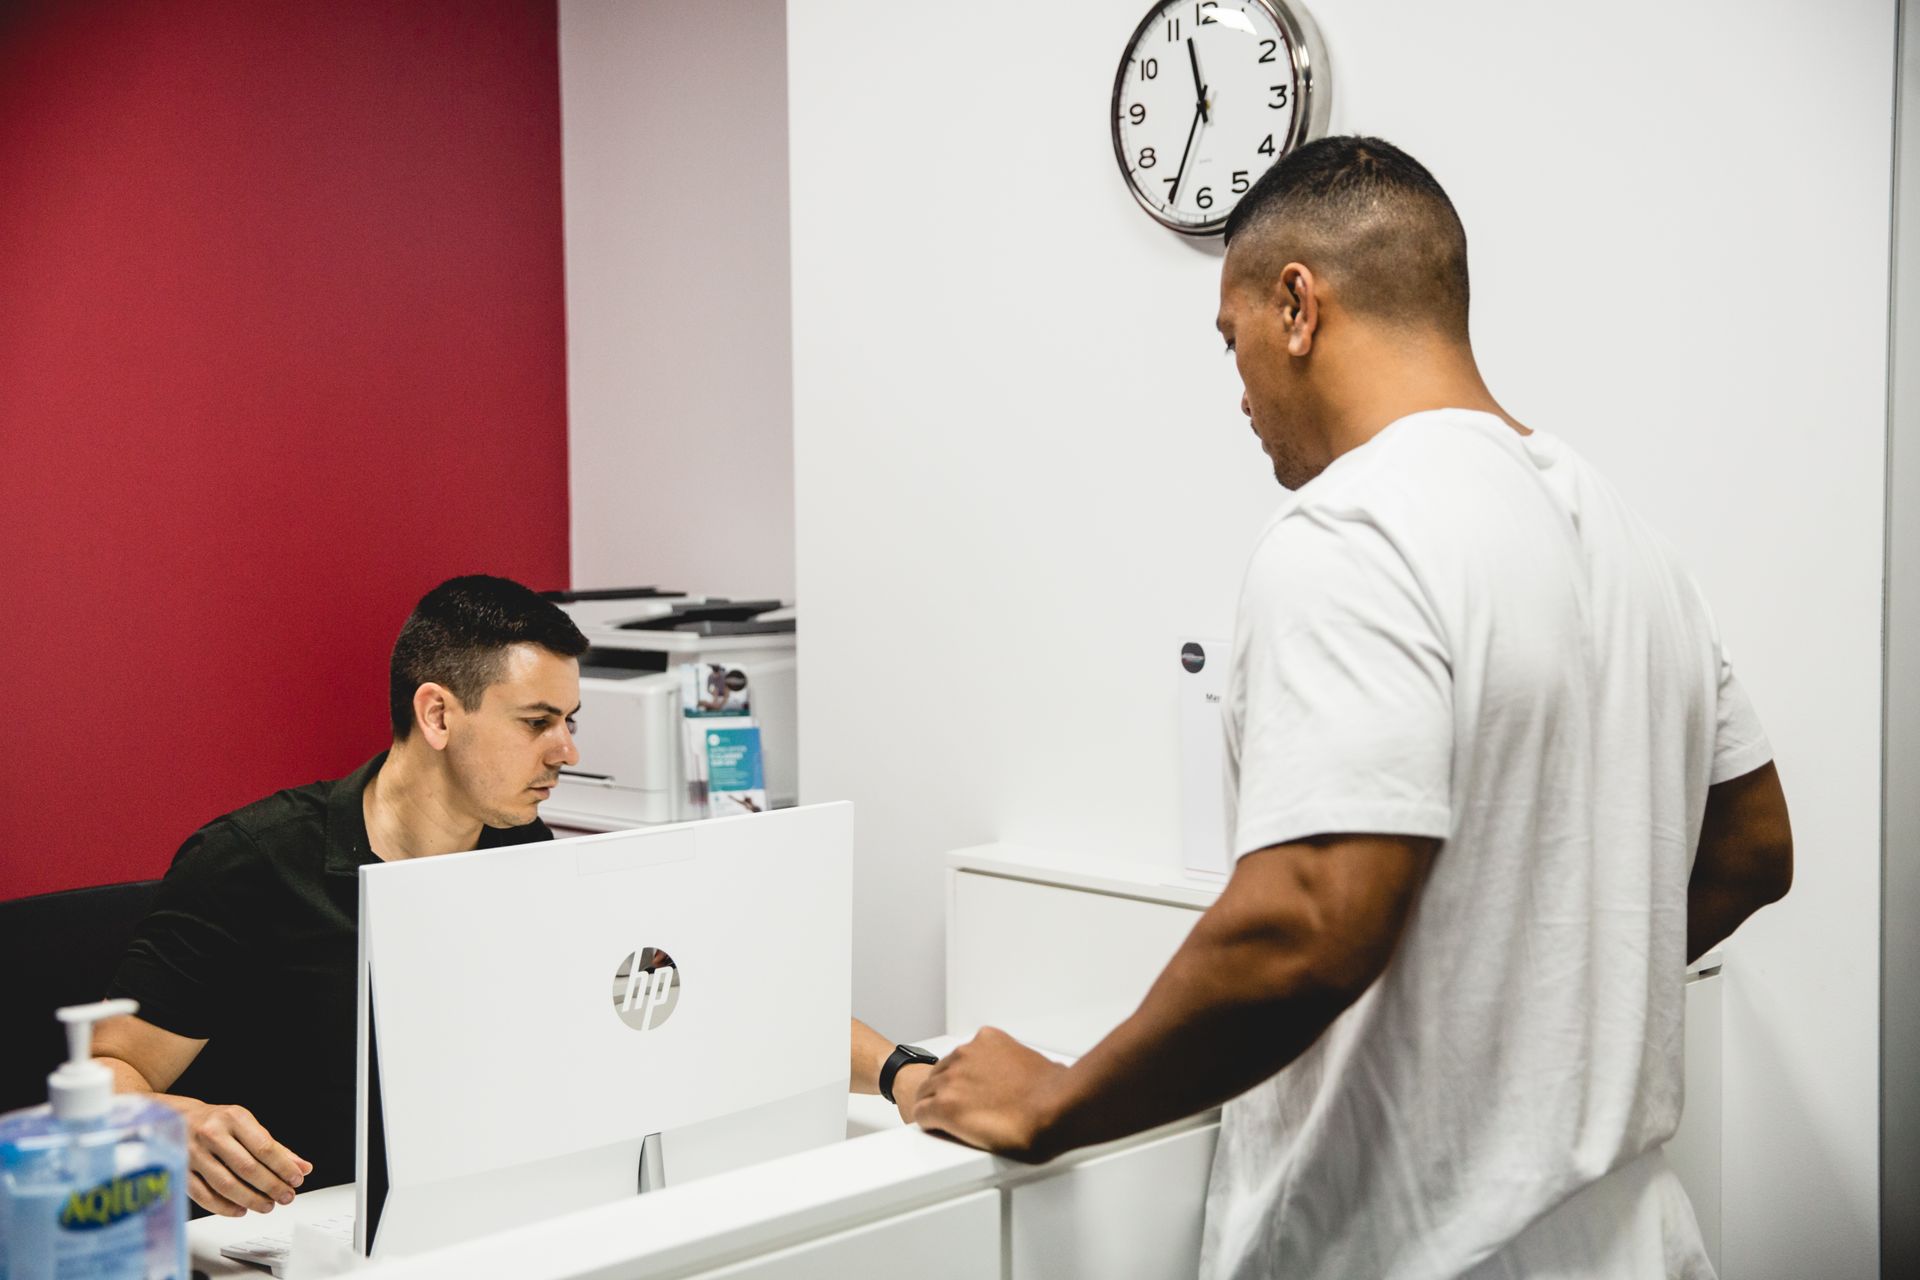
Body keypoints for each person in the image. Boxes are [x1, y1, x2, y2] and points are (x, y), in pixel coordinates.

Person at [909, 136, 1794, 1279]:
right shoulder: (1634, 545)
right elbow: (1754, 847)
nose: (1237, 392)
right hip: (1633, 1244)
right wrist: (1541, 995)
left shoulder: (1352, 531)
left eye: (1230, 343)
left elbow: (1309, 919)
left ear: (1296, 305)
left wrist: (1064, 1099)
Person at [94, 575, 589, 1217]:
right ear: (437, 714)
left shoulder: (522, 847)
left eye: (569, 722)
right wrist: (170, 1121)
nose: (568, 752)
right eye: (537, 723)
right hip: (281, 1229)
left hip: (454, 1210)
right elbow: (103, 1077)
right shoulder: (255, 859)